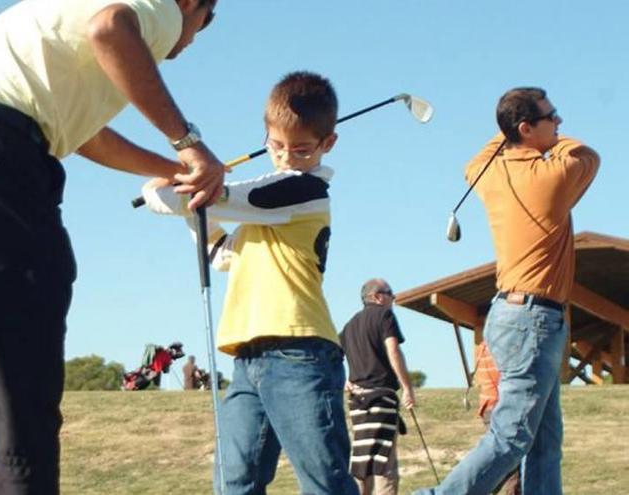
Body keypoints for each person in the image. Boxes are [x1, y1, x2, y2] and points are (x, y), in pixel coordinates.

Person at [0, 1, 225, 493]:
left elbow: (87, 136)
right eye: (203, 24)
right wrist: (187, 142)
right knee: (23, 376)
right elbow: (111, 30)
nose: (188, 43)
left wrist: (170, 171)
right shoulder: (161, 10)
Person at [143, 71, 358, 495]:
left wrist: (170, 182)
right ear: (265, 137)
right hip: (248, 359)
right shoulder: (264, 214)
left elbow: (198, 198)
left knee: (324, 484)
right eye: (277, 146)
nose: (286, 157)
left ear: (326, 144)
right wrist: (195, 197)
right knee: (234, 482)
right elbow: (220, 251)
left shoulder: (305, 189)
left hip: (300, 353)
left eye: (301, 149)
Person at [414, 87, 600, 495]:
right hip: (534, 320)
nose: (560, 122)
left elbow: (479, 157)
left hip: (512, 315)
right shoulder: (555, 174)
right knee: (512, 437)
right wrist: (548, 138)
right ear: (526, 128)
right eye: (553, 117)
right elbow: (589, 155)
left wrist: (521, 133)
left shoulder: (488, 171)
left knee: (545, 442)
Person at [341, 278, 415, 495]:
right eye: (390, 292)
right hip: (381, 398)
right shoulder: (385, 315)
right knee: (385, 464)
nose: (394, 297)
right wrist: (407, 387)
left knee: (362, 460)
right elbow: (393, 350)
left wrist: (344, 380)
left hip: (357, 402)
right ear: (376, 296)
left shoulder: (350, 324)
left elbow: (334, 355)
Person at [474, 342, 520, 495]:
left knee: (504, 458)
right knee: (512, 461)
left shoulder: (482, 347)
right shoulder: (502, 345)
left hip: (488, 406)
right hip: (501, 406)